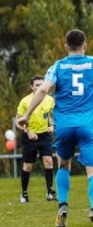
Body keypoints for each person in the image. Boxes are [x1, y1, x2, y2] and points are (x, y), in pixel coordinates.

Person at [17, 29, 93, 227]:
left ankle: (63, 206)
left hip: (64, 127)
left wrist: (26, 115)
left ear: (66, 46)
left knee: (63, 165)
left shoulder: (57, 66)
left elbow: (43, 89)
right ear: (85, 45)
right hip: (88, 127)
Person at [15, 75, 57, 203]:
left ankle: (50, 192)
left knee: (48, 161)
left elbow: (50, 116)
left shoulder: (50, 100)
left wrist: (52, 126)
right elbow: (18, 122)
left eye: (41, 84)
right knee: (28, 166)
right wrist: (27, 131)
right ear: (31, 87)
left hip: (44, 135)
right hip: (30, 136)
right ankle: (24, 194)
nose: (40, 87)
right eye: (37, 85)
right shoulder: (25, 101)